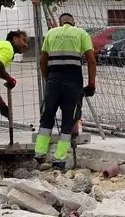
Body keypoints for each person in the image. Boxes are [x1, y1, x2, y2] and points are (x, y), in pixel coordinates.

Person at [34, 12, 97, 170]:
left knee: (47, 115)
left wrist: (48, 79)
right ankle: (59, 159)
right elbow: (91, 60)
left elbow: (43, 60)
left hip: (53, 80)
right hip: (72, 81)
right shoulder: (81, 33)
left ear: (60, 23)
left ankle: (39, 154)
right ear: (73, 22)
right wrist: (91, 84)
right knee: (69, 118)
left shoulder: (51, 33)